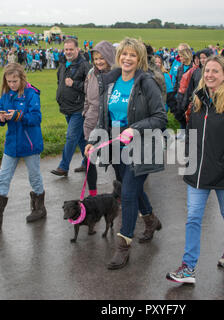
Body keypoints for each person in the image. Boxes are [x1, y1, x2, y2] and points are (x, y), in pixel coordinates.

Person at [166, 56, 224, 284]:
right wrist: (188, 157)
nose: (210, 75)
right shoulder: (196, 102)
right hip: (197, 173)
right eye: (207, 71)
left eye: (216, 71)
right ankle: (188, 268)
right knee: (194, 217)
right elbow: (191, 133)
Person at [84, 37, 167, 270]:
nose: (127, 58)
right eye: (124, 54)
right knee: (131, 188)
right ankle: (150, 220)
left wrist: (135, 128)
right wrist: (93, 140)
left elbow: (161, 118)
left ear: (139, 58)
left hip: (141, 147)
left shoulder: (146, 83)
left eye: (132, 55)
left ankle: (123, 247)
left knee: (128, 194)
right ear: (118, 57)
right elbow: (103, 118)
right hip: (116, 147)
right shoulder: (110, 82)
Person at [0, 63, 46, 228]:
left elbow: (36, 118)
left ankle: (39, 208)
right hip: (12, 143)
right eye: (9, 81)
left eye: (15, 81)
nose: (12, 84)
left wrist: (18, 116)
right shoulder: (5, 95)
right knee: (3, 177)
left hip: (30, 143)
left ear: (22, 78)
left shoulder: (31, 94)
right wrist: (0, 119)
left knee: (34, 176)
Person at [78, 40, 117, 194]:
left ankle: (120, 193)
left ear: (109, 57)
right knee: (89, 160)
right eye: (96, 58)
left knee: (116, 161)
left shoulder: (118, 75)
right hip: (91, 122)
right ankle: (92, 193)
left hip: (110, 125)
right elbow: (87, 97)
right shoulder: (90, 74)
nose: (99, 61)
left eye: (102, 58)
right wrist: (85, 112)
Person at [51, 39, 91, 176]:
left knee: (71, 136)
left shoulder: (85, 65)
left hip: (79, 108)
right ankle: (87, 163)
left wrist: (74, 84)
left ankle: (63, 167)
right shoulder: (63, 64)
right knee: (80, 137)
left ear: (77, 50)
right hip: (66, 107)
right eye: (66, 49)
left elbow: (92, 87)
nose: (68, 52)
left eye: (71, 49)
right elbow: (59, 82)